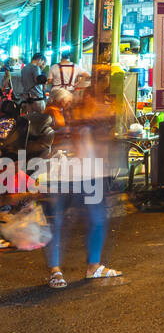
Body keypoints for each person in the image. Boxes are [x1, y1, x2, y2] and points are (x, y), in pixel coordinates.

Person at [41, 87, 123, 287]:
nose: (102, 104)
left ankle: (93, 267)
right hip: (66, 175)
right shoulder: (66, 116)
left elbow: (100, 148)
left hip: (91, 176)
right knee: (59, 221)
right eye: (98, 100)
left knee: (97, 219)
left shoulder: (93, 121)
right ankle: (55, 270)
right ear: (87, 98)